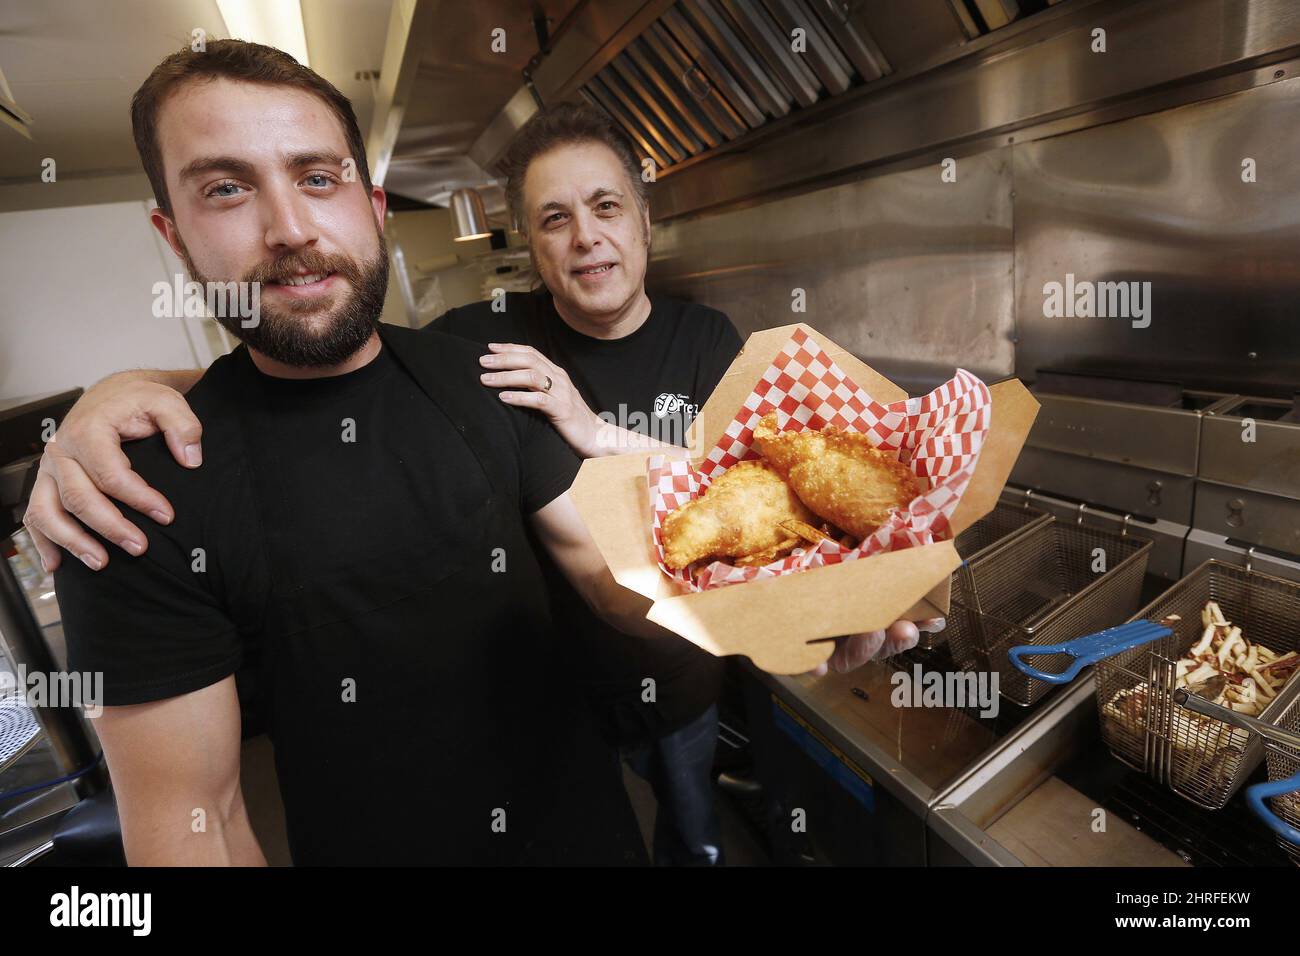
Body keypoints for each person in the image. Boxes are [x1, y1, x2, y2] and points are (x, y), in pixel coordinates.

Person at [25, 42, 929, 865]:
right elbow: (195, 824)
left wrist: (796, 605)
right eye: (225, 188)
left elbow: (616, 581)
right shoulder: (128, 495)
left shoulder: (482, 381)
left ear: (371, 206)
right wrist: (105, 397)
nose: (290, 226)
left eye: (318, 177)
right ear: (173, 236)